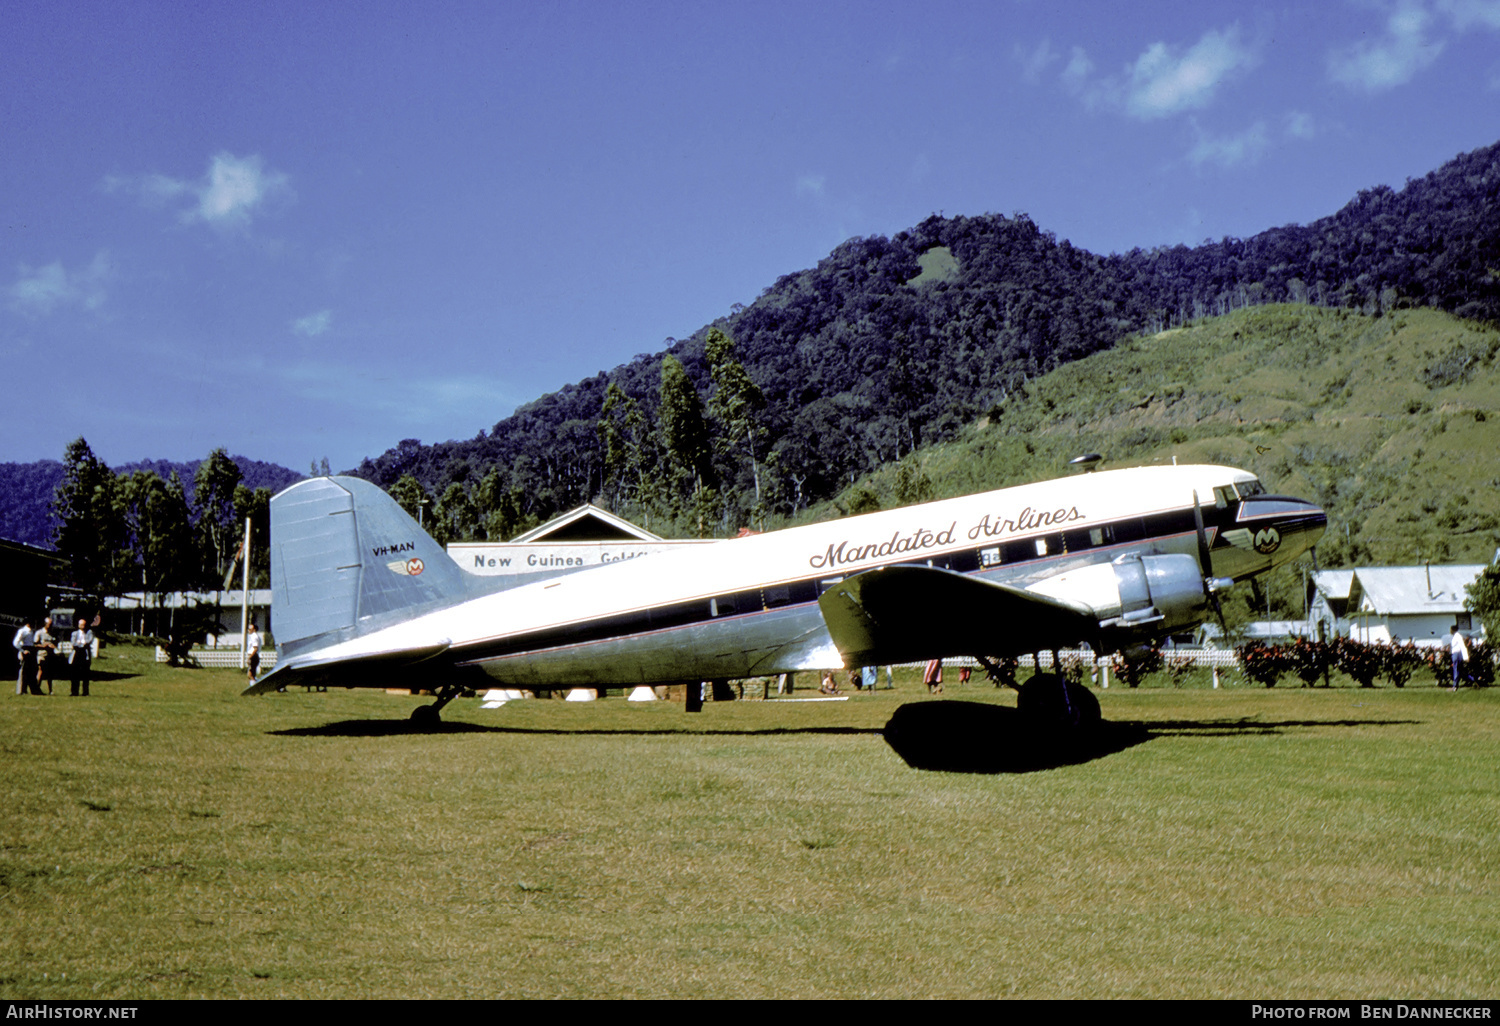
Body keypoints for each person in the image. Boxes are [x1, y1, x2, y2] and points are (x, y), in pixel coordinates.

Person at [69, 618, 95, 697]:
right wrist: (81, 643)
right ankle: (74, 691)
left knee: (85, 674)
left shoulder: (89, 632)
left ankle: (85, 692)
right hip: (76, 653)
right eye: (81, 624)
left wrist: (80, 643)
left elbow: (89, 641)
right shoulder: (74, 633)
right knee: (75, 673)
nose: (82, 626)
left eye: (84, 624)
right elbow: (73, 642)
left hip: (85, 654)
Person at [13, 618, 38, 695]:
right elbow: (15, 643)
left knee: (32, 671)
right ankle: (22, 690)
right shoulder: (23, 631)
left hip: (31, 650)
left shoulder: (31, 631)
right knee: (24, 671)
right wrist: (23, 651)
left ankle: (33, 690)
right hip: (25, 650)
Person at [34, 617, 56, 695]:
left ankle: (50, 690)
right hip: (41, 654)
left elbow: (54, 642)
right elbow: (35, 644)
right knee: (40, 670)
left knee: (49, 673)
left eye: (51, 624)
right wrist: (43, 645)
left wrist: (53, 646)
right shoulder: (39, 633)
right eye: (48, 624)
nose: (49, 626)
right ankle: (37, 688)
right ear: (45, 623)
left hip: (49, 655)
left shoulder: (51, 633)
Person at [1450, 626, 1470, 691]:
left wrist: (1466, 657)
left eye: (1451, 630)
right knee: (1460, 670)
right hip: (1455, 654)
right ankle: (1473, 680)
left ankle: (1455, 686)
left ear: (1453, 630)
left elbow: (1462, 646)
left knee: (1456, 669)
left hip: (1457, 654)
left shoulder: (1458, 636)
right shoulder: (1455, 636)